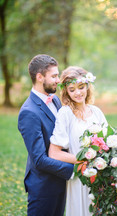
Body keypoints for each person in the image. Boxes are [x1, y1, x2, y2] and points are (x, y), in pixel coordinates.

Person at [18, 54, 74, 216]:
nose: (58, 80)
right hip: (43, 187)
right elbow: (39, 159)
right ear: (40, 77)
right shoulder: (29, 112)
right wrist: (75, 169)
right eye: (54, 76)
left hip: (60, 182)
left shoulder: (55, 100)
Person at [48, 66, 108, 216]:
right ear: (66, 91)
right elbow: (54, 153)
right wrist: (85, 161)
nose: (78, 93)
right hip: (80, 177)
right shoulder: (65, 113)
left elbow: (108, 144)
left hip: (101, 175)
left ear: (87, 86)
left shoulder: (96, 112)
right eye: (72, 89)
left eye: (81, 87)